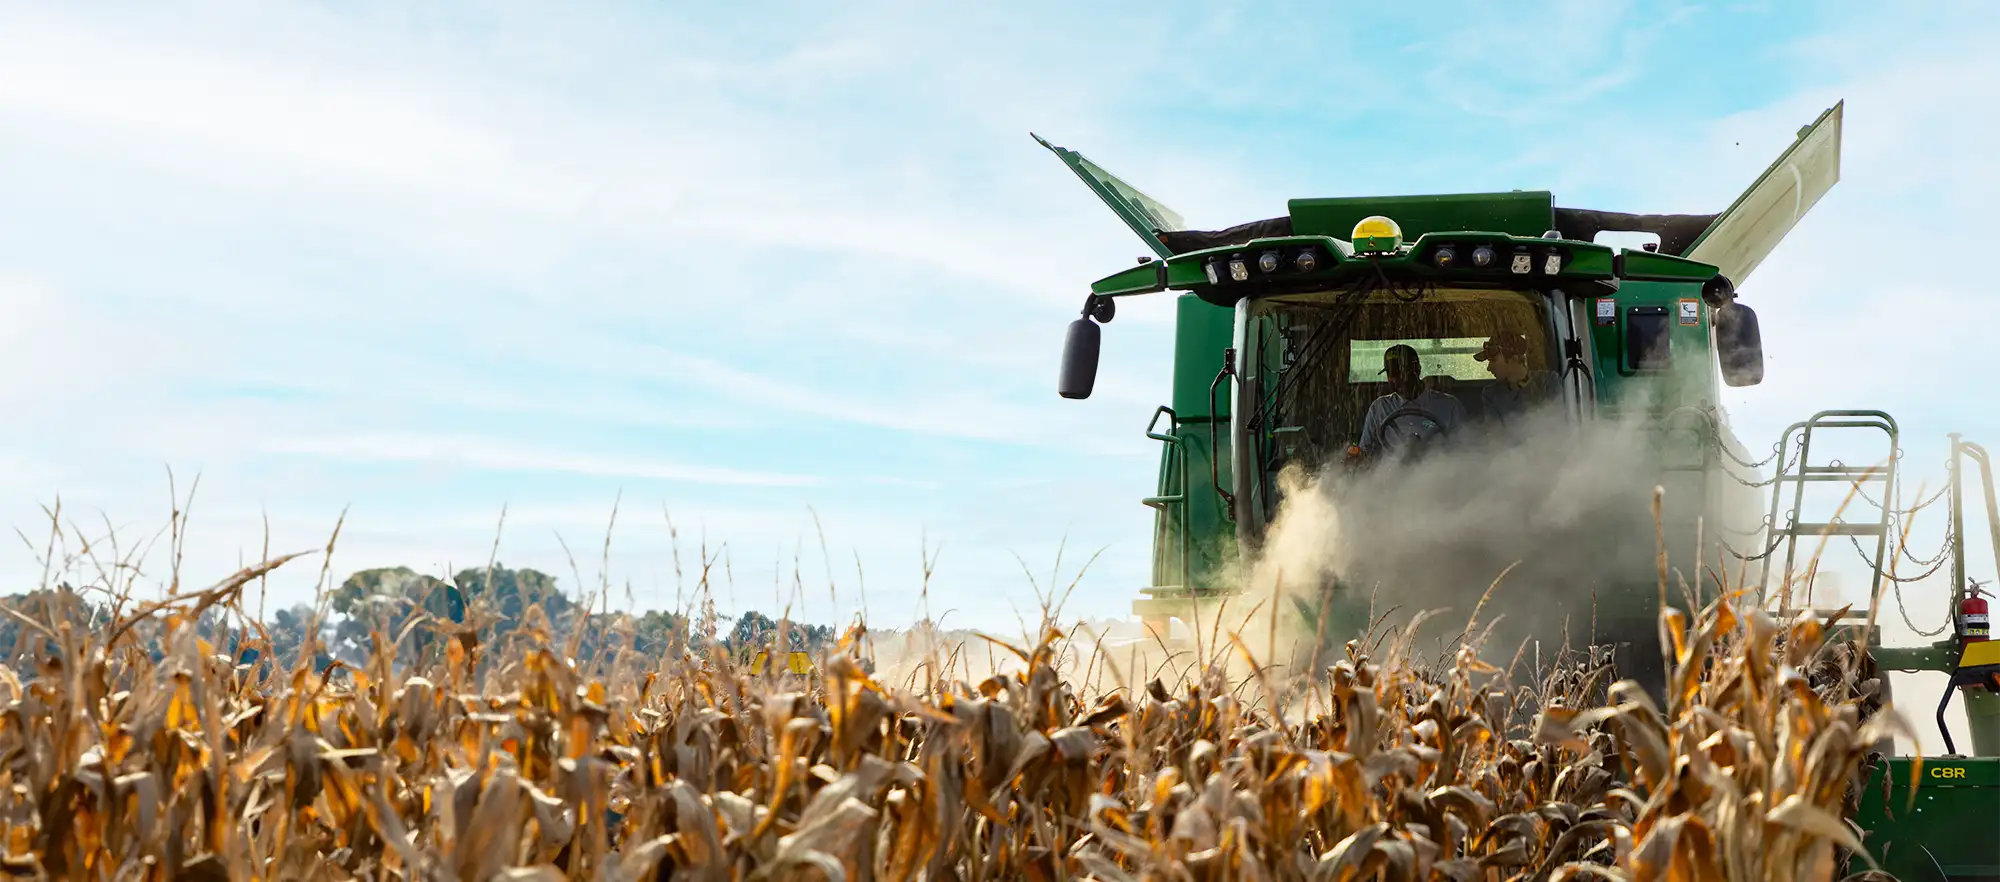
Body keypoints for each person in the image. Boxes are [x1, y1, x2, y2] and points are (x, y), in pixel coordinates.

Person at [1355, 343, 1467, 456]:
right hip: (1389, 467)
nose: (1396, 379)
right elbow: (1365, 451)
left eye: (1401, 372)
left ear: (1417, 369)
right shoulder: (1379, 408)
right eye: (1391, 374)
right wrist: (1356, 458)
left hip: (1440, 466)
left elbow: (1465, 450)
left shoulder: (1450, 406)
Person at [1474, 332, 1557, 424]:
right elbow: (1494, 431)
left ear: (1513, 359)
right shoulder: (1491, 395)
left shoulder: (1549, 381)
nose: (1489, 368)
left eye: (1493, 360)